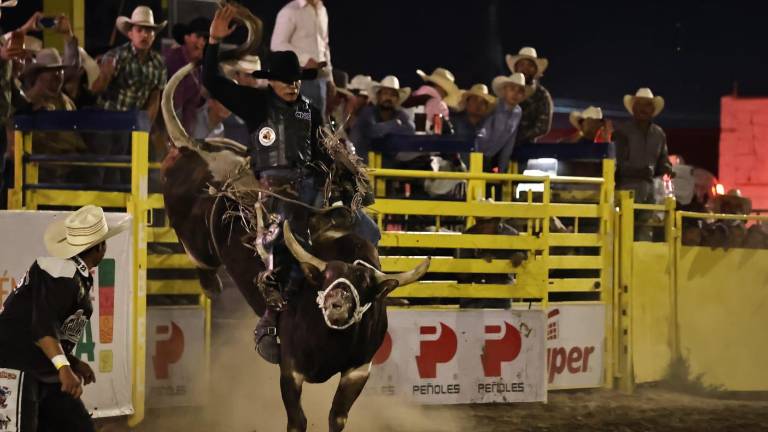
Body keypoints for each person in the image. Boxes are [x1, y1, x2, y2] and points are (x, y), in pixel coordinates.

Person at [205, 5, 335, 363]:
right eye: (285, 79)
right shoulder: (255, 103)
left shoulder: (310, 111)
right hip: (275, 189)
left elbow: (322, 151)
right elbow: (213, 82)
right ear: (272, 81)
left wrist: (331, 178)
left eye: (296, 79)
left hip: (310, 188)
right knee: (288, 237)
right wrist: (213, 41)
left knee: (363, 229)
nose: (292, 85)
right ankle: (274, 313)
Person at [0, 205, 129, 431]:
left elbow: (42, 327)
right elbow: (42, 326)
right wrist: (65, 368)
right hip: (16, 366)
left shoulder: (70, 273)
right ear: (100, 246)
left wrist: (72, 363)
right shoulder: (61, 272)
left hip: (39, 367)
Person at [614, 87, 673, 240]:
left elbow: (662, 161)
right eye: (639, 105)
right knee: (623, 235)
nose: (643, 109)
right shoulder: (622, 132)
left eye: (647, 105)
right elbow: (617, 164)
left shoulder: (659, 134)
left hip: (649, 193)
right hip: (625, 192)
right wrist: (641, 171)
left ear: (652, 110)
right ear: (633, 108)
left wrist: (667, 168)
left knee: (643, 235)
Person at [92, 5, 167, 123]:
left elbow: (154, 99)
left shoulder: (159, 63)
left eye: (148, 31)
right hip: (108, 120)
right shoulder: (116, 56)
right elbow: (96, 90)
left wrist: (146, 126)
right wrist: (105, 75)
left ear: (154, 36)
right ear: (130, 34)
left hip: (134, 123)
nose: (144, 35)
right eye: (139, 30)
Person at [271, 0, 333, 114]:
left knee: (318, 121)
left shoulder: (322, 10)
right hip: (299, 79)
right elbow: (277, 44)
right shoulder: (290, 10)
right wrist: (304, 60)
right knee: (300, 121)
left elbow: (325, 46)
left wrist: (330, 79)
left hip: (320, 79)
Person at [349, 75, 413, 164]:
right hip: (362, 165)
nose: (388, 98)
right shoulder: (368, 113)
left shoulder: (400, 114)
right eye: (385, 93)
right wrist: (395, 124)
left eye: (393, 95)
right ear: (378, 96)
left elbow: (410, 129)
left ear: (397, 99)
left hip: (388, 165)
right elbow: (372, 131)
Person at [165, 16, 210, 132]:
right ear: (186, 37)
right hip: (163, 125)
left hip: (182, 129)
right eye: (198, 36)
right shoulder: (175, 58)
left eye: (206, 39)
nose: (202, 42)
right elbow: (172, 101)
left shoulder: (198, 69)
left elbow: (192, 107)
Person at [476, 72, 527, 173]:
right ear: (504, 90)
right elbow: (480, 132)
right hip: (476, 154)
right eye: (512, 89)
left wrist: (502, 169)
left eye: (519, 91)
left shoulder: (518, 112)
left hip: (491, 157)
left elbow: (510, 141)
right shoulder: (493, 105)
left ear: (522, 96)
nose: (515, 94)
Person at [505, 47, 553, 144]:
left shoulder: (542, 95)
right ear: (516, 68)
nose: (525, 69)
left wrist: (517, 138)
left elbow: (543, 127)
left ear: (536, 70)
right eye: (521, 65)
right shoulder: (505, 89)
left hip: (525, 147)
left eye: (530, 65)